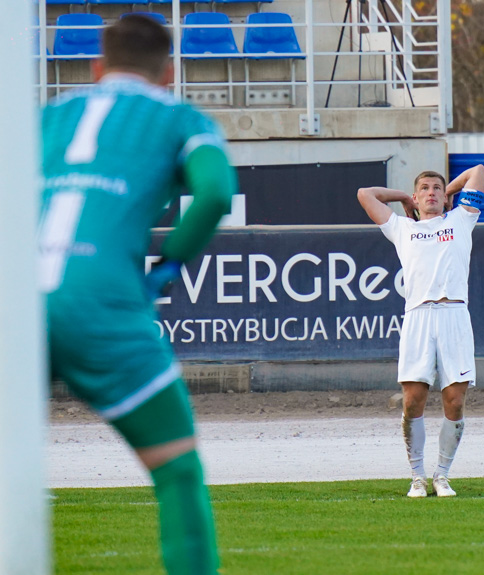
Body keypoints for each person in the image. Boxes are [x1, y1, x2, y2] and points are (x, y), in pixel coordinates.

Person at [39, 15, 236, 574]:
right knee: (176, 472)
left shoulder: (46, 116)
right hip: (101, 303)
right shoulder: (180, 118)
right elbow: (216, 191)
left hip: (18, 305)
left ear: (97, 67)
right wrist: (167, 267)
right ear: (168, 73)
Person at [357, 164, 484, 498]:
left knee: (454, 402)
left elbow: (480, 170)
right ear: (416, 198)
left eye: (437, 189)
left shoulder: (460, 219)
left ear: (445, 199)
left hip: (454, 315)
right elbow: (365, 195)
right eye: (424, 189)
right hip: (418, 317)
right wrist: (403, 197)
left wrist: (450, 191)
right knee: (413, 401)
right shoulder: (401, 228)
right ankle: (417, 477)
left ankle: (441, 475)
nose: (431, 193)